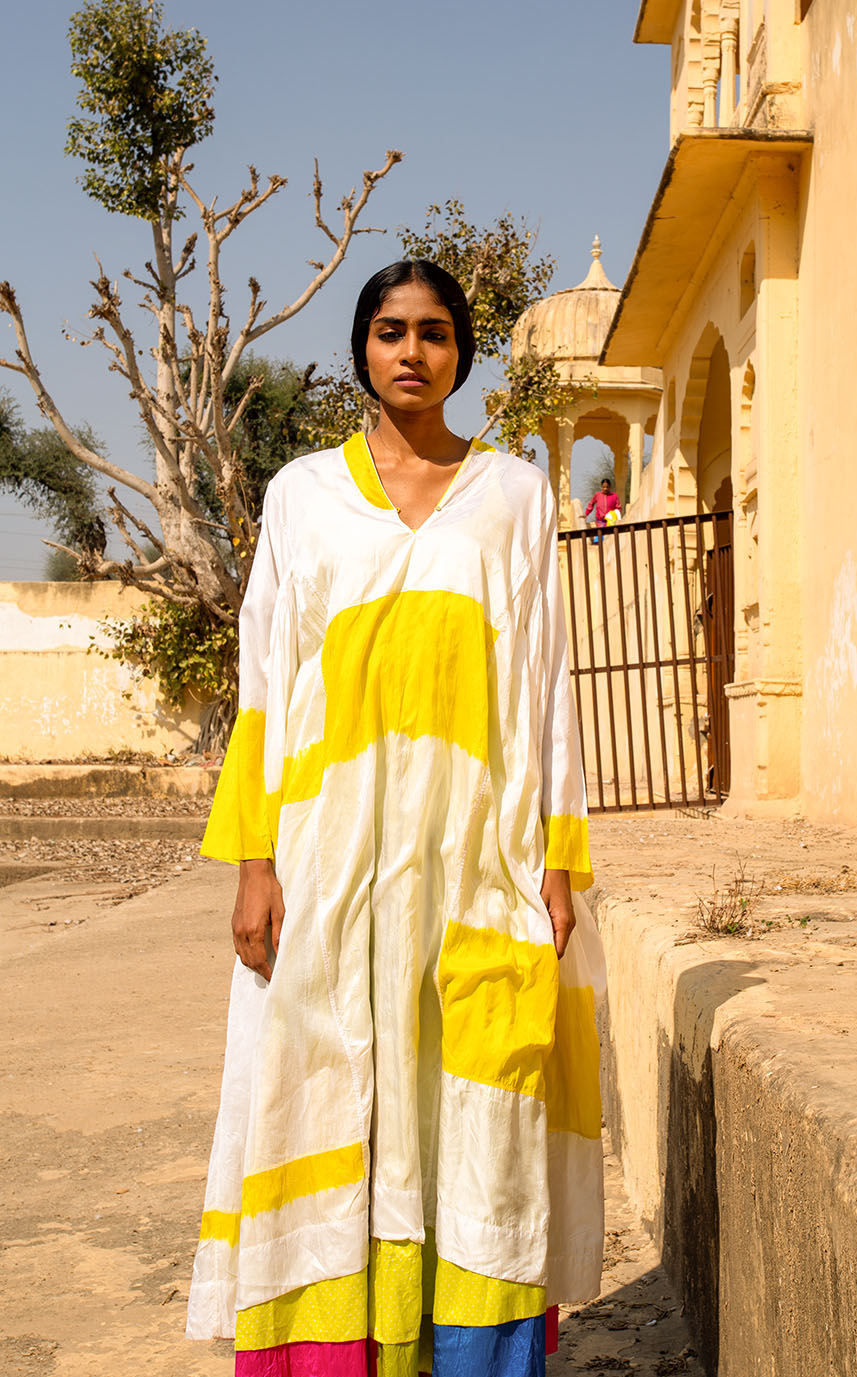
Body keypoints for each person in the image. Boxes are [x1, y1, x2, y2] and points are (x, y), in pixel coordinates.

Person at [186, 260, 605, 1377]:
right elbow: (266, 682)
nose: (410, 351)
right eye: (388, 330)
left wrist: (556, 864)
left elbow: (545, 689)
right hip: (328, 859)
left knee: (475, 1120)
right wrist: (255, 863)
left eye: (432, 331)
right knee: (325, 1100)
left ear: (461, 352)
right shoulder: (301, 495)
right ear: (362, 349)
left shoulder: (513, 496)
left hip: (476, 859)